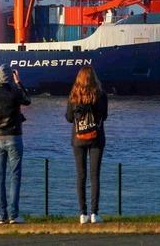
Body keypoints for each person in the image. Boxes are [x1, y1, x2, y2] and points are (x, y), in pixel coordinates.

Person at [0, 64, 31, 224]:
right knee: (15, 176)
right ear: (11, 76)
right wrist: (18, 82)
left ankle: (1, 216)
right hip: (14, 136)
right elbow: (27, 100)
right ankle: (14, 215)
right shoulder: (16, 92)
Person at [65, 66, 108, 224]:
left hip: (78, 139)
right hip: (96, 138)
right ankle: (94, 213)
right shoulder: (101, 95)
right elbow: (105, 116)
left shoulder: (74, 95)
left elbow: (69, 118)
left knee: (80, 176)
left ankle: (82, 214)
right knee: (95, 176)